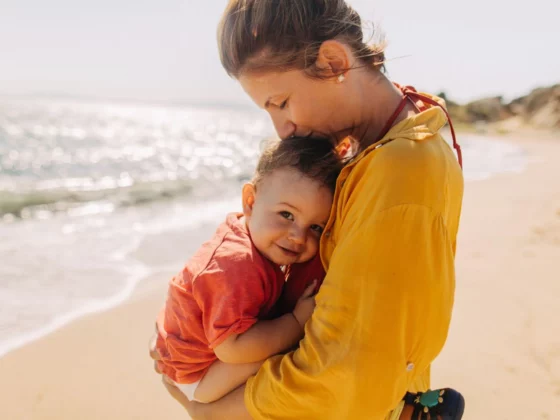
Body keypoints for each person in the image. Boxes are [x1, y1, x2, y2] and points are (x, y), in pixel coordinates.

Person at [153, 0, 465, 418]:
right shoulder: (376, 149)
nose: (282, 130)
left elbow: (342, 367)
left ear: (334, 63)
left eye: (281, 102)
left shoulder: (400, 169)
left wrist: (216, 413)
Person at [154, 137, 342, 403]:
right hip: (196, 375)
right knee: (285, 354)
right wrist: (296, 322)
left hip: (186, 349)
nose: (298, 237)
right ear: (251, 202)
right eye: (286, 215)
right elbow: (232, 349)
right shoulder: (238, 266)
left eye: (316, 227)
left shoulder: (248, 230)